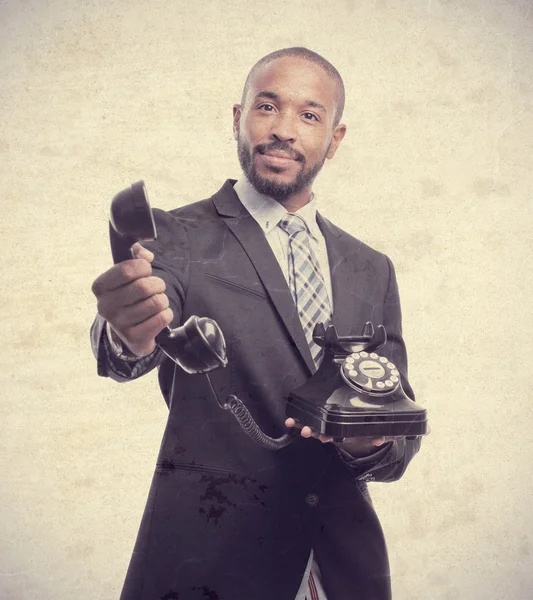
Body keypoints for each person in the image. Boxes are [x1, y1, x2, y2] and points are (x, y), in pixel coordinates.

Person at [90, 47, 423, 600]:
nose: (284, 130)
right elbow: (126, 344)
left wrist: (372, 442)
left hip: (340, 565)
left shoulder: (372, 268)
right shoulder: (176, 236)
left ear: (334, 139)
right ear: (238, 118)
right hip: (212, 557)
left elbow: (396, 438)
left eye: (309, 116)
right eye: (267, 107)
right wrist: (128, 331)